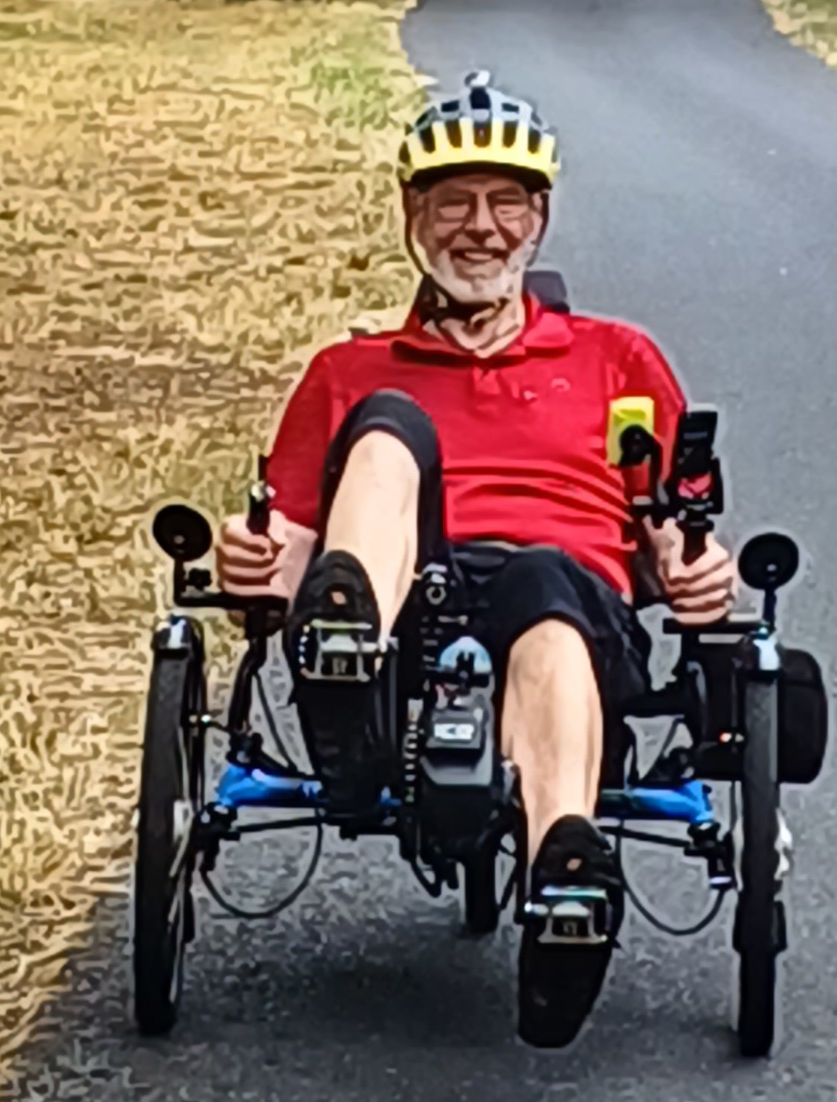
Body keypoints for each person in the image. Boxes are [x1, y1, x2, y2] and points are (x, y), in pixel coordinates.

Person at [218, 74, 734, 1048]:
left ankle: (563, 881)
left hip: (570, 601)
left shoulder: (616, 356)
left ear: (538, 218)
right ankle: (343, 647)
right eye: (453, 202)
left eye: (504, 203)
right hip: (409, 602)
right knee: (386, 425)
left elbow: (675, 537)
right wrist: (253, 562)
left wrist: (700, 573)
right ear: (413, 216)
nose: (480, 227)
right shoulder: (348, 368)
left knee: (544, 584)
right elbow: (281, 543)